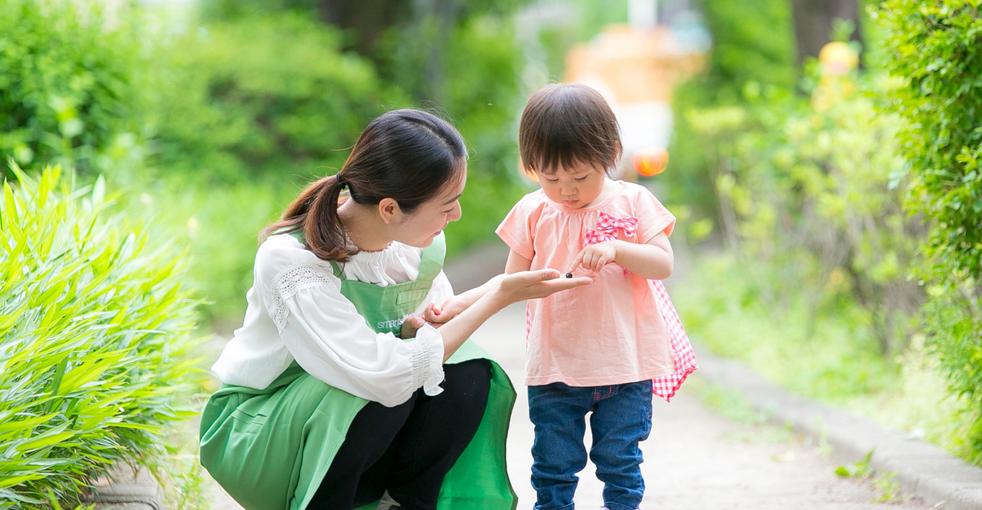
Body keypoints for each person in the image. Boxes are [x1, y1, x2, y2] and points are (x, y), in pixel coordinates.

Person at [198, 109, 591, 510]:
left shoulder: (413, 250)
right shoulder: (293, 260)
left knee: (464, 373)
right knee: (381, 386)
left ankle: (402, 503)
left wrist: (484, 295)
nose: (456, 215)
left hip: (347, 423)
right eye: (447, 205)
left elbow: (432, 335)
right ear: (389, 209)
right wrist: (497, 298)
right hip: (259, 432)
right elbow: (382, 374)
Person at [437, 83, 692, 510]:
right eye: (551, 178)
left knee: (620, 461)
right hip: (555, 367)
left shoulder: (632, 202)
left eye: (580, 177)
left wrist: (617, 249)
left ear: (610, 153)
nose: (566, 190)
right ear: (531, 166)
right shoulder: (533, 211)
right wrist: (456, 305)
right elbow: (510, 282)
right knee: (553, 464)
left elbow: (662, 264)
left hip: (625, 367)